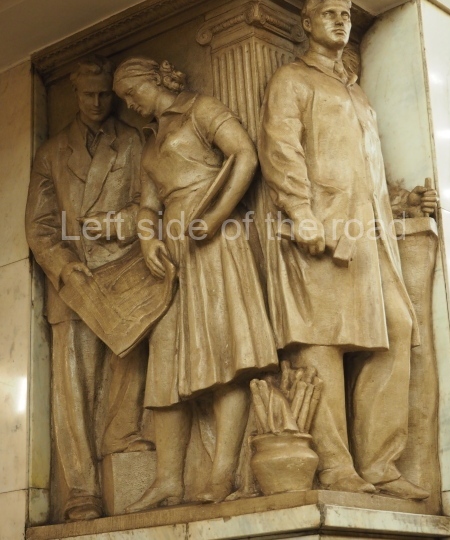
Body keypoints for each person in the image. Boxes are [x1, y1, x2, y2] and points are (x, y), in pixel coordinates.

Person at [257, 0, 436, 499]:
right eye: (329, 14)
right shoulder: (292, 79)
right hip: (321, 230)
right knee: (322, 343)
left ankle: (379, 463)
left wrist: (402, 202)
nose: (340, 22)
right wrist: (301, 213)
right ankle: (336, 466)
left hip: (369, 233)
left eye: (345, 15)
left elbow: (364, 168)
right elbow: (280, 149)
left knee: (397, 328)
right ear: (307, 24)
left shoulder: (356, 92)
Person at [113, 57, 278, 511]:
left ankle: (222, 473)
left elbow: (245, 154)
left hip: (214, 239)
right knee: (166, 360)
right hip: (173, 251)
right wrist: (148, 240)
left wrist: (217, 214)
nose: (130, 104)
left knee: (226, 351)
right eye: (124, 99)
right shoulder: (151, 141)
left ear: (155, 80)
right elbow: (147, 206)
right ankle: (168, 479)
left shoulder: (200, 108)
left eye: (132, 92)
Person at [26, 56, 153, 521]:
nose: (96, 103)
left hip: (124, 272)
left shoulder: (134, 142)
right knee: (73, 390)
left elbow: (149, 205)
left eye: (104, 95)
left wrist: (116, 223)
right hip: (74, 284)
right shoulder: (52, 153)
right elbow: (39, 225)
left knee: (131, 361)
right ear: (75, 94)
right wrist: (63, 267)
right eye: (88, 95)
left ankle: (124, 448)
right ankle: (81, 492)